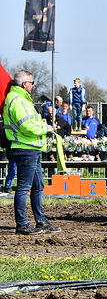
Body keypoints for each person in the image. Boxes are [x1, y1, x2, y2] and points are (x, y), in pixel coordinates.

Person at [2, 70, 60, 235]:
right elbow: (26, 126)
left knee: (37, 186)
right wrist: (45, 128)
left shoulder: (19, 99)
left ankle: (40, 221)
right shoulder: (18, 100)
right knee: (23, 188)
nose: (33, 85)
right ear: (23, 84)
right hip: (25, 148)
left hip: (30, 149)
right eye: (31, 82)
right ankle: (22, 224)